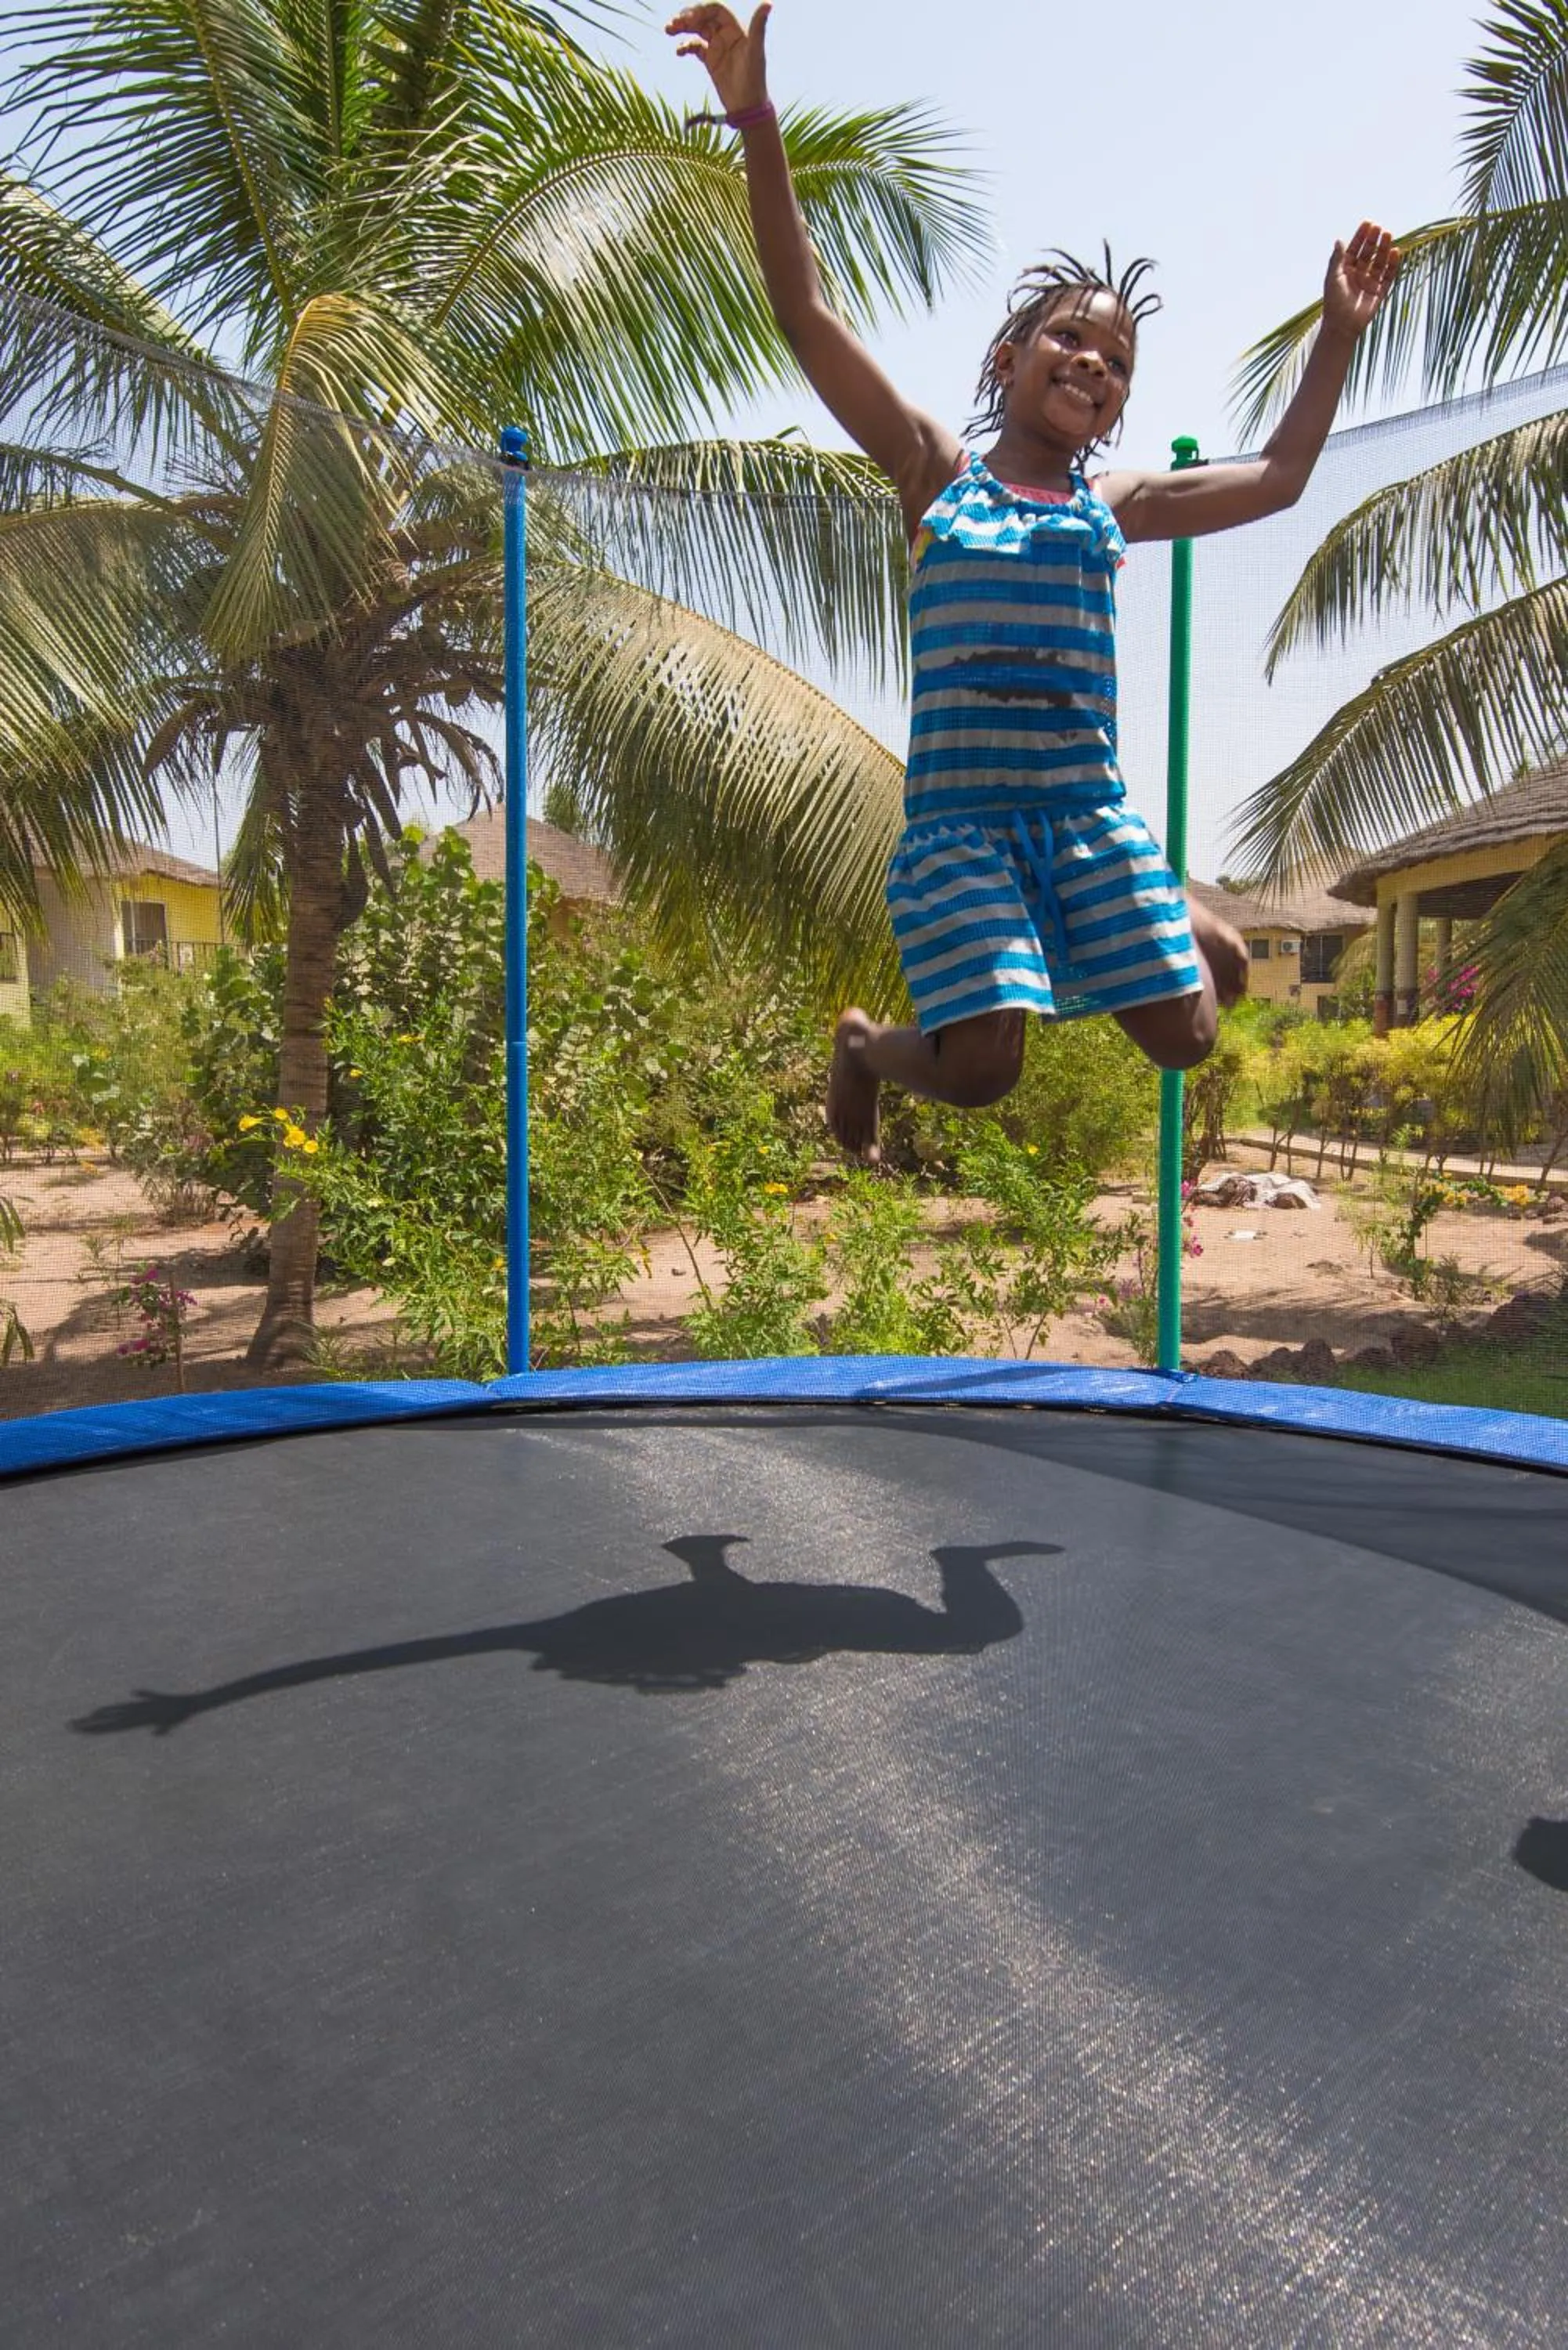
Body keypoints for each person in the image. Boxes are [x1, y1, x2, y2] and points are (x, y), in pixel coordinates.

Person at [668, 3, 1400, 1158]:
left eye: (1116, 362)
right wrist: (755, 117)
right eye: (1070, 340)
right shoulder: (932, 476)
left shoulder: (1115, 507)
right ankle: (864, 1048)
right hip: (962, 826)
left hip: (1085, 818)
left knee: (1193, 1037)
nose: (1094, 364)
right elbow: (803, 314)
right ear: (1007, 362)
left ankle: (1180, 918)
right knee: (983, 1068)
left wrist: (1338, 333)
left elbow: (1282, 475)